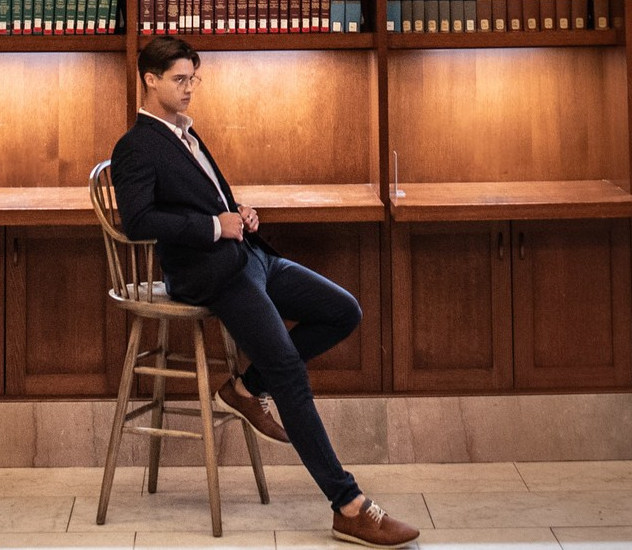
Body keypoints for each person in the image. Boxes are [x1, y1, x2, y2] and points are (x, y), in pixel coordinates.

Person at [110, 35, 419, 547]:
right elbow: (139, 220)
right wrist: (216, 226)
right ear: (149, 79)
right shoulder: (136, 146)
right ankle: (348, 505)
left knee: (343, 311)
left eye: (194, 79)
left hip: (250, 256)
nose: (190, 89)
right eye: (179, 80)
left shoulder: (185, 133)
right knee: (290, 373)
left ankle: (246, 388)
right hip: (211, 273)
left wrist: (239, 215)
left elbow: (204, 200)